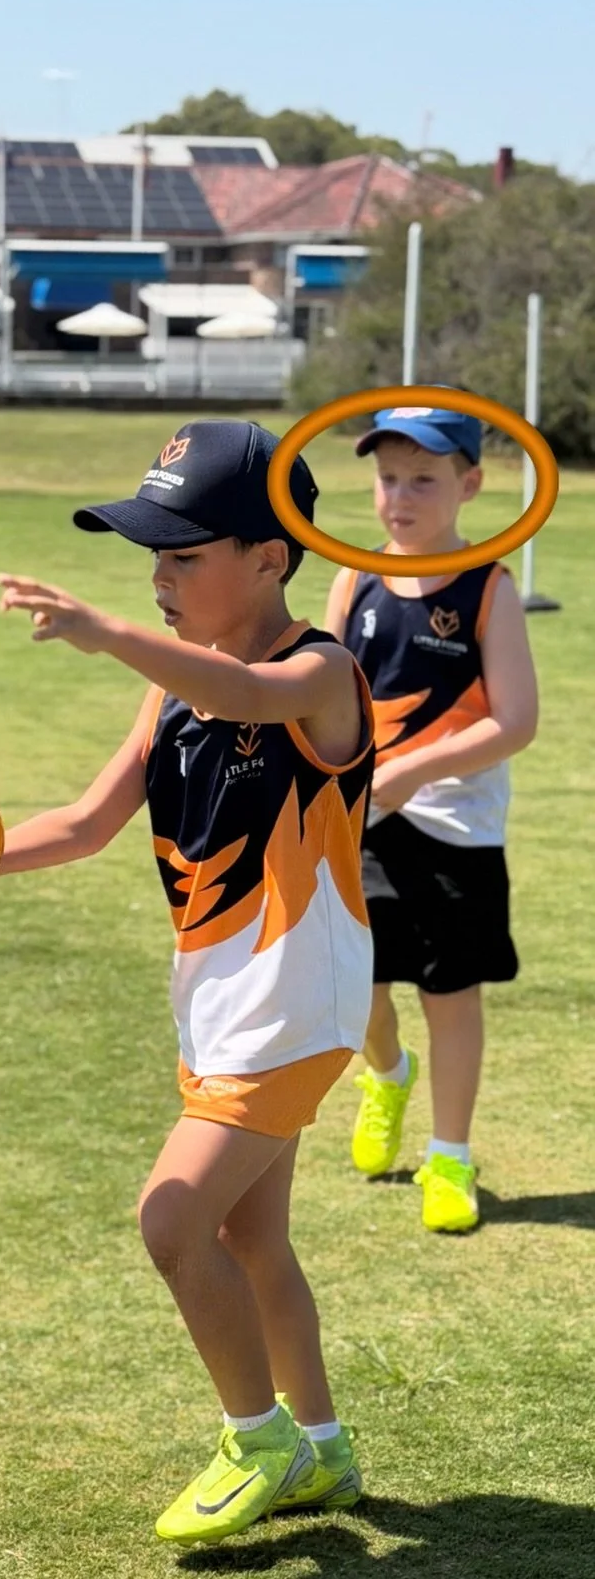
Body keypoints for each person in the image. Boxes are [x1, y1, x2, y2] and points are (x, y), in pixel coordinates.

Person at [0, 421, 373, 1546]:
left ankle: (257, 1438)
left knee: (171, 1218)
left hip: (293, 1011)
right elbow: (82, 821)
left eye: (183, 557)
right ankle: (325, 1448)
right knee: (254, 1241)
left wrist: (108, 635)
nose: (158, 582)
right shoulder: (169, 693)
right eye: (150, 560)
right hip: (223, 1009)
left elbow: (244, 693)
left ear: (271, 556)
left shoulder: (321, 673)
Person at [323, 401, 539, 1233]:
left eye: (422, 479)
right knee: (359, 990)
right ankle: (385, 1076)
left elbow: (514, 721)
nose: (399, 498)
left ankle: (450, 1157)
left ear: (470, 485)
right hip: (360, 820)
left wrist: (414, 769)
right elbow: (329, 688)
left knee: (451, 991)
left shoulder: (492, 588)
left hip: (457, 830)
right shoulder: (356, 575)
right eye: (386, 478)